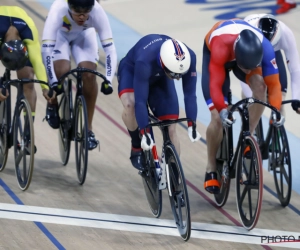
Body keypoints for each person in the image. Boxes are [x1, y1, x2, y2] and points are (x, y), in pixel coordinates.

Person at [201, 19, 284, 194]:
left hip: (243, 56)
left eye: (251, 67)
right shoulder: (219, 45)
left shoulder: (266, 47)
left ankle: (248, 135)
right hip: (218, 56)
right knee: (217, 117)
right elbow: (215, 85)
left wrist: (276, 110)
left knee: (261, 87)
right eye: (246, 68)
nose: (247, 72)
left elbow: (274, 85)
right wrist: (222, 109)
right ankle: (210, 167)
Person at [117, 34, 201, 171]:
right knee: (131, 105)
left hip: (161, 76)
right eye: (175, 75)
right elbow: (140, 101)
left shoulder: (189, 57)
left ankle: (174, 175)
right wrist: (144, 132)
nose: (178, 79)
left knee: (171, 126)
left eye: (180, 74)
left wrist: (192, 124)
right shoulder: (144, 60)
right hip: (133, 71)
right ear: (163, 63)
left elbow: (190, 95)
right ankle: (136, 144)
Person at [42, 0, 117, 150]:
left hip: (84, 35)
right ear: (69, 6)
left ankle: (88, 129)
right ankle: (52, 102)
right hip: (60, 36)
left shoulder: (97, 11)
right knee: (61, 70)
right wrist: (52, 81)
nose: (82, 16)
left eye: (86, 11)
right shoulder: (58, 9)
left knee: (89, 75)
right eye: (77, 11)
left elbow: (110, 50)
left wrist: (108, 80)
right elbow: (46, 51)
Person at [0, 6, 48, 153]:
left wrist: (46, 88)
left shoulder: (29, 31)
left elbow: (37, 61)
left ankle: (28, 133)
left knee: (28, 79)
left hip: (21, 32)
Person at [241, 14, 300, 115]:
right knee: (254, 98)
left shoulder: (286, 34)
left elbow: (295, 69)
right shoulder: (246, 31)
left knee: (279, 101)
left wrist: (297, 99)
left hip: (274, 54)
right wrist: (251, 97)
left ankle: (276, 124)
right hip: (254, 52)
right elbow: (242, 69)